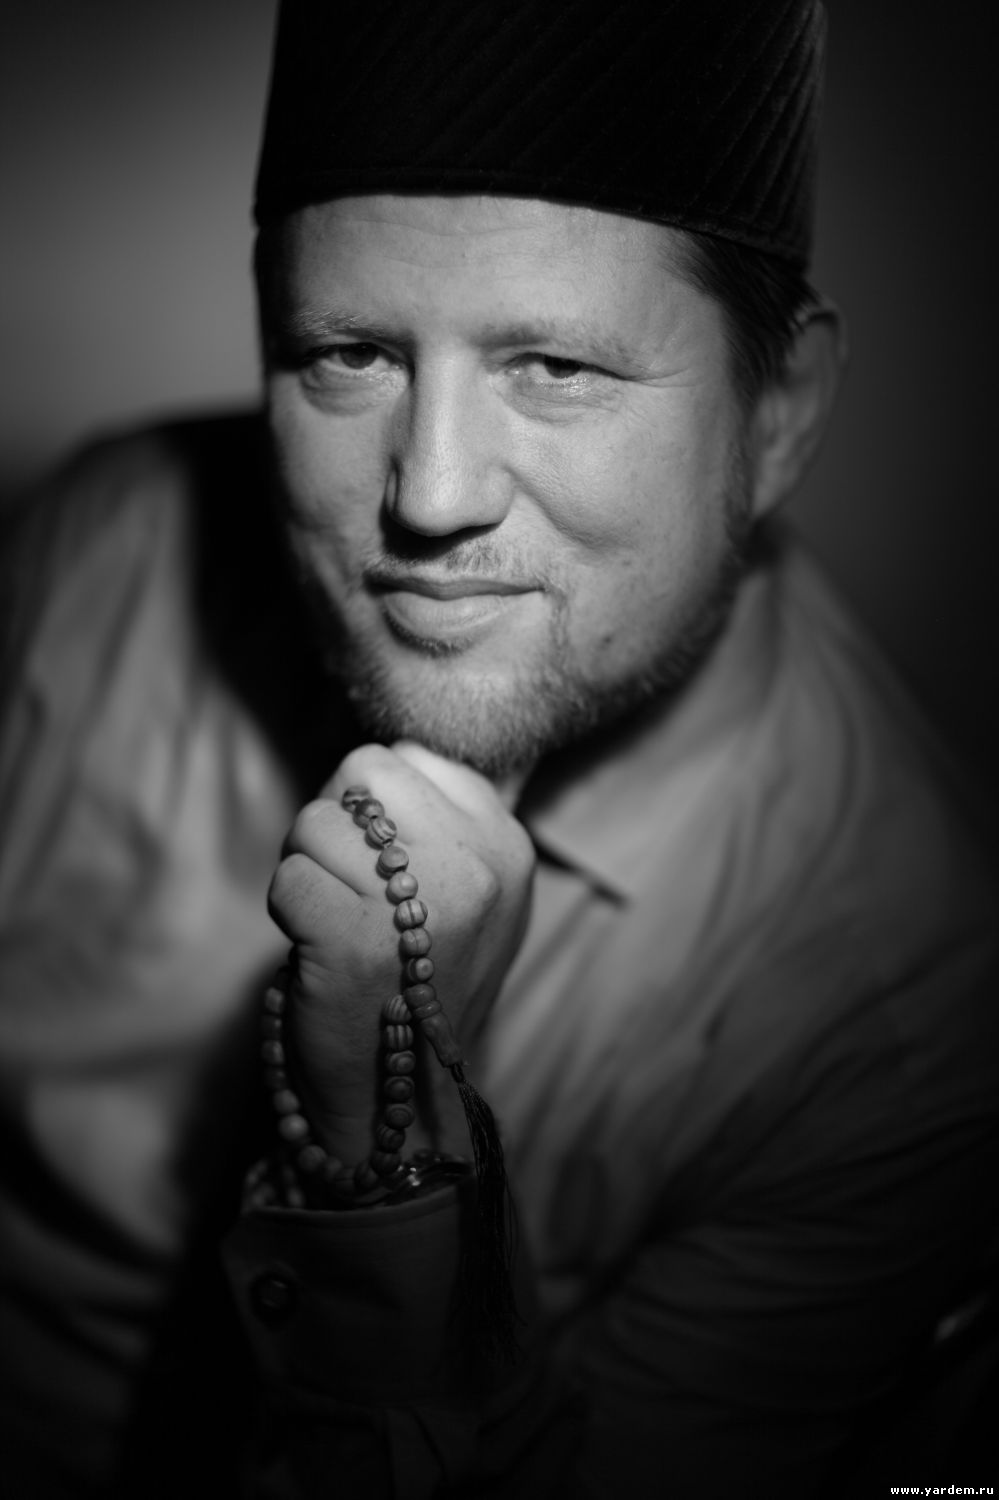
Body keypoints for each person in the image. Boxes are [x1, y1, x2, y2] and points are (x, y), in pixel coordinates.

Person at [1, 1, 997, 1496]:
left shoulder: (901, 1025)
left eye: (556, 366)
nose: (432, 494)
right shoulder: (110, 549)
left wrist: (391, 1148)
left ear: (779, 412)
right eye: (348, 355)